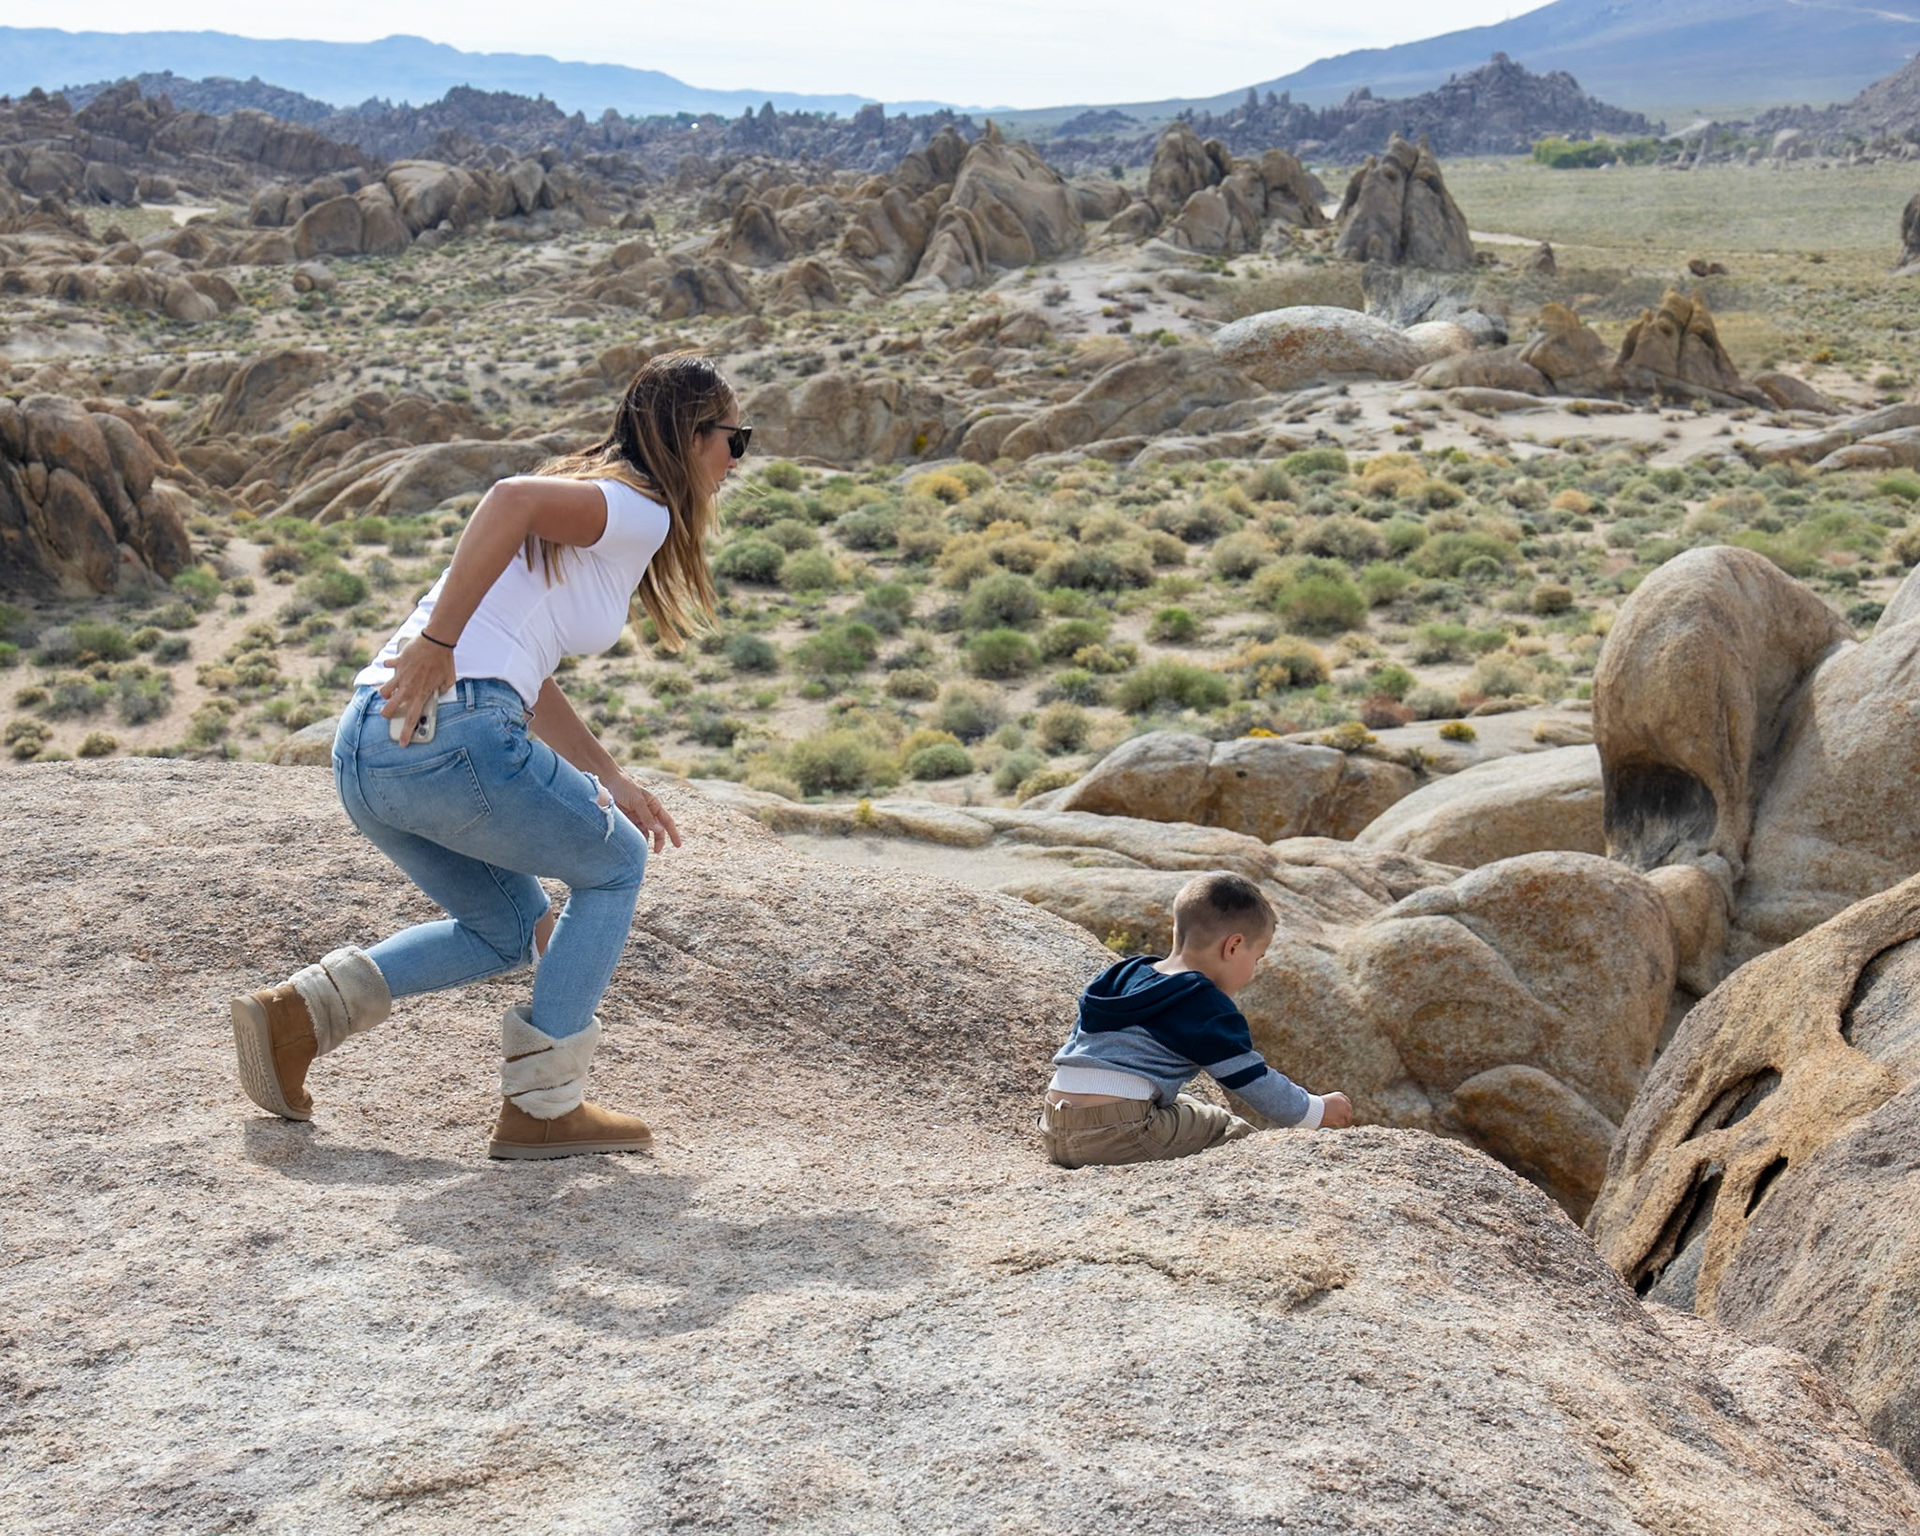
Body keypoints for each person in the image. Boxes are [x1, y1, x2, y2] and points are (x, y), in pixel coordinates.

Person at [231, 352, 747, 1159]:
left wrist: (609, 776)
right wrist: (438, 643)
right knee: (614, 866)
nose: (735, 460)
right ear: (689, 436)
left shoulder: (605, 514)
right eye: (732, 440)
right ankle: (544, 1108)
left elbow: (527, 673)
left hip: (369, 747)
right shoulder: (637, 508)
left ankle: (296, 1018)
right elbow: (507, 500)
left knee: (509, 926)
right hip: (456, 735)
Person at [1038, 872, 1354, 1168]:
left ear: (1178, 931)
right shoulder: (1202, 1003)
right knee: (1223, 1127)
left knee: (1186, 1104)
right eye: (1256, 958)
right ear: (1233, 946)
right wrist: (1315, 1110)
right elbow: (1252, 1081)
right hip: (1120, 1133)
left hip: (1054, 1125)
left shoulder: (1123, 975)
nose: (1254, 970)